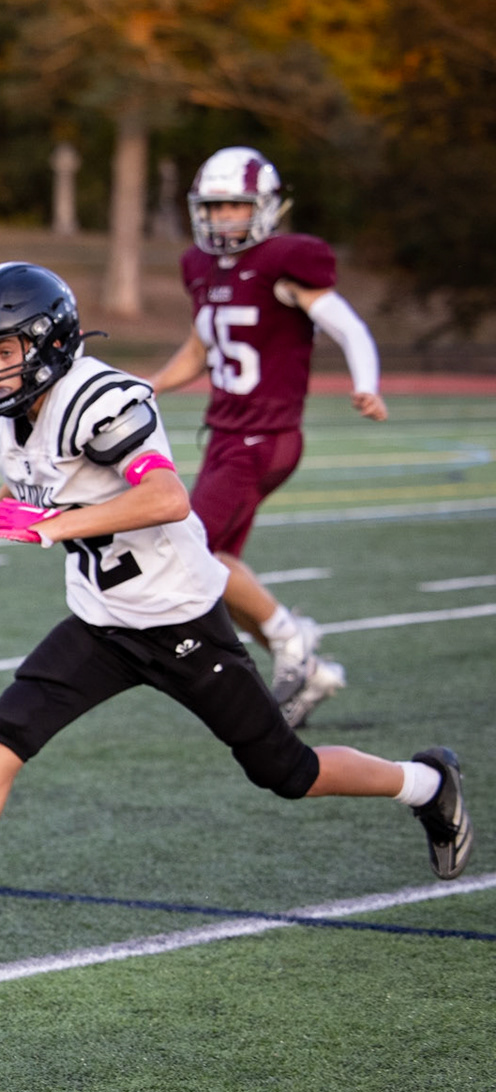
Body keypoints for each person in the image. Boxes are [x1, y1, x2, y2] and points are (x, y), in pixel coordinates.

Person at [0, 262, 472, 967]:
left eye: (5, 352)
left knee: (288, 770)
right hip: (101, 619)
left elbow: (167, 498)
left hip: (180, 619)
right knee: (9, 728)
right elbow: (34, 472)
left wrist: (51, 524)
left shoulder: (99, 397)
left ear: (51, 343)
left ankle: (428, 782)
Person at [148, 147, 389, 727]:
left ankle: (292, 639)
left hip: (265, 434)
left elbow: (348, 326)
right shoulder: (201, 268)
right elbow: (202, 349)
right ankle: (312, 670)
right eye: (215, 207)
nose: (224, 218)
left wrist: (366, 383)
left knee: (189, 549)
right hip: (229, 435)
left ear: (264, 207)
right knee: (217, 564)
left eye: (235, 206)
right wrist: (148, 386)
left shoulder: (286, 261)